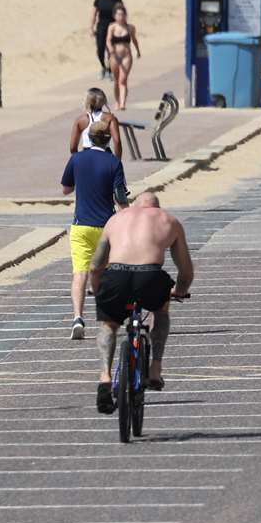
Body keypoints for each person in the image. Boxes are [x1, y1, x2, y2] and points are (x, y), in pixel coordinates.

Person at [89, 191, 195, 412]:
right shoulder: (168, 220)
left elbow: (96, 265)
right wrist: (180, 291)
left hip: (116, 275)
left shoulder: (116, 219)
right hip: (150, 275)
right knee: (161, 311)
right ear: (157, 207)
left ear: (135, 204)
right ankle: (155, 368)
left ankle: (105, 376)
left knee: (109, 324)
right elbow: (185, 270)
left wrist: (97, 289)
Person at [60, 118, 129, 341]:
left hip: (80, 226)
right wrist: (128, 212)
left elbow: (65, 189)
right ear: (108, 138)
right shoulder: (113, 163)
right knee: (106, 271)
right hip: (105, 226)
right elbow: (119, 197)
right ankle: (107, 314)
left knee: (79, 273)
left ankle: (78, 317)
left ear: (88, 138)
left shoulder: (77, 159)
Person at [68, 87, 122, 158]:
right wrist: (116, 161)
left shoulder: (81, 120)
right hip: (105, 153)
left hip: (86, 154)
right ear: (103, 101)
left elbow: (72, 148)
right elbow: (117, 141)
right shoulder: (110, 118)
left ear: (88, 102)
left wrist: (78, 160)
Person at [106, 4, 141, 111]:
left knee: (123, 80)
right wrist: (111, 49)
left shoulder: (130, 27)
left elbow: (134, 40)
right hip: (115, 56)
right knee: (116, 80)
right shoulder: (112, 27)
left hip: (126, 56)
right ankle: (117, 101)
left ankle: (122, 103)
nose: (121, 16)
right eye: (118, 14)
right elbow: (108, 40)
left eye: (123, 14)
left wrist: (138, 51)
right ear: (115, 16)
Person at [90, 0, 125, 80]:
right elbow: (93, 14)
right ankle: (103, 67)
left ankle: (110, 70)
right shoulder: (99, 0)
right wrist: (91, 28)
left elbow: (121, 13)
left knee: (111, 51)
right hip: (101, 28)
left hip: (113, 28)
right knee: (100, 50)